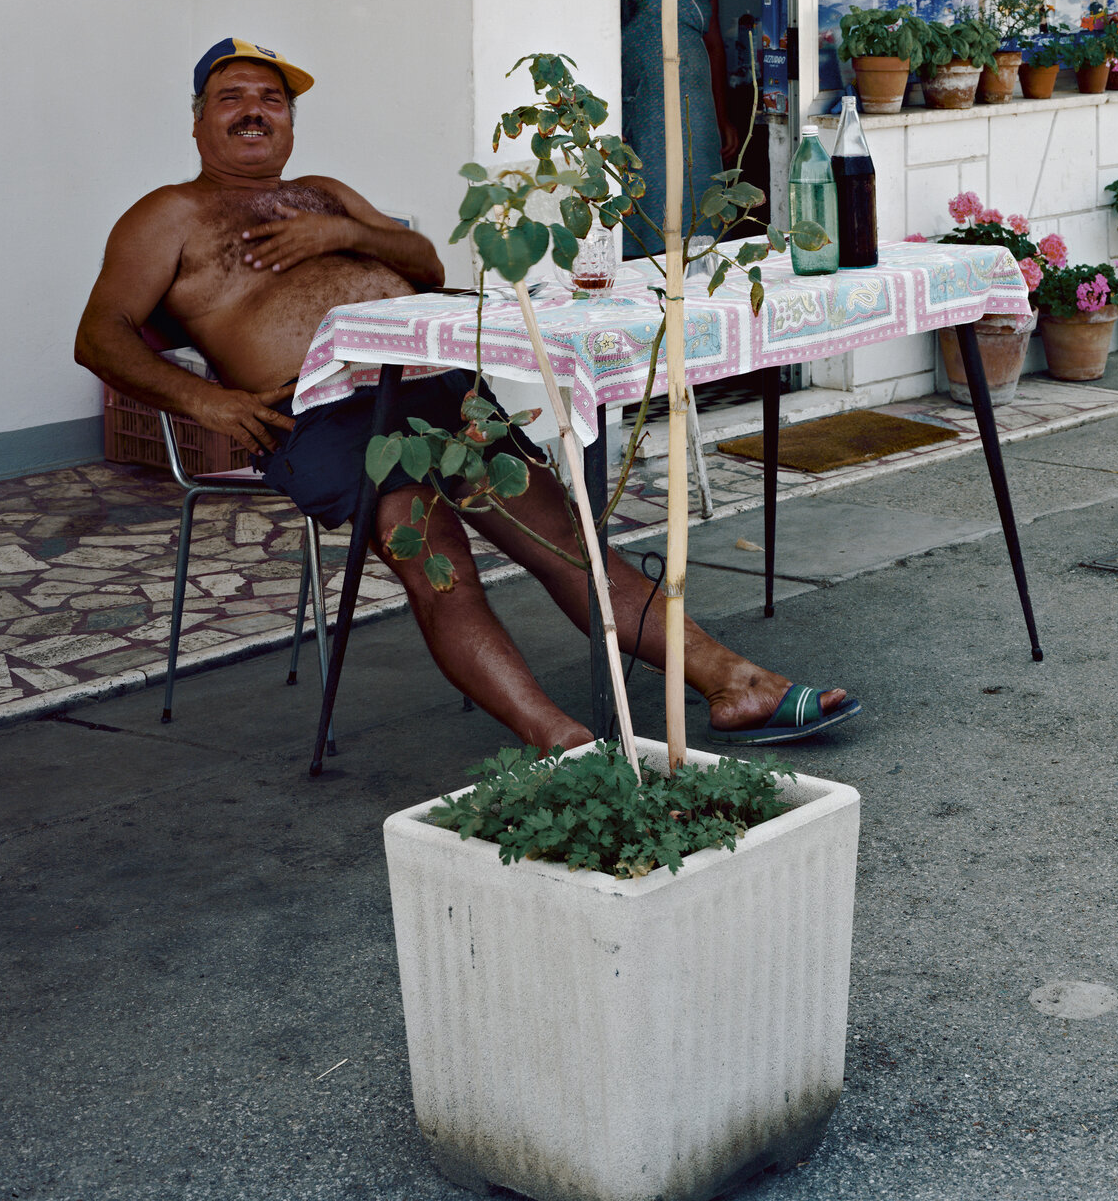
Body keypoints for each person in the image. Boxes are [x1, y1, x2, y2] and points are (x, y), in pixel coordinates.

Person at [72, 38, 857, 748]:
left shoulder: (321, 191)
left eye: (272, 99)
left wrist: (342, 233)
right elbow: (100, 334)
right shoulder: (168, 214)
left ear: (290, 123)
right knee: (437, 556)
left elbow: (417, 258)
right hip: (319, 415)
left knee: (567, 543)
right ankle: (562, 742)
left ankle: (737, 685)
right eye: (232, 97)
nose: (254, 111)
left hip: (437, 386)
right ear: (200, 119)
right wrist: (208, 403)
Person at [619, 0, 740, 257]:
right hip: (644, 111)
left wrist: (722, 117)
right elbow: (599, 35)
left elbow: (713, 44)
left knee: (700, 210)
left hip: (698, 116)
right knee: (648, 205)